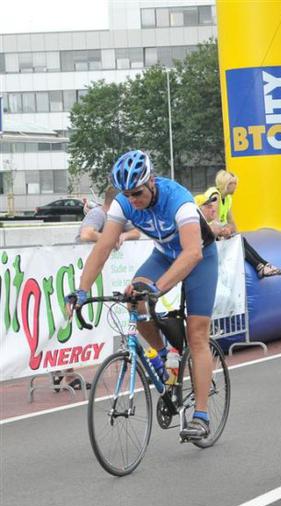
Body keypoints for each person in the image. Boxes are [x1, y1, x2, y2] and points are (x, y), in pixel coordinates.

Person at [67, 150, 219, 440]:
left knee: (197, 335)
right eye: (127, 194)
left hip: (200, 258)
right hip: (164, 255)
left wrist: (158, 288)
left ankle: (201, 416)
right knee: (134, 298)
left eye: (137, 193)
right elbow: (103, 247)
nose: (133, 200)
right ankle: (162, 361)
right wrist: (82, 290)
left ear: (151, 181)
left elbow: (193, 253)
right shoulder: (124, 203)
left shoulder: (178, 200)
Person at [215, 169, 281, 278]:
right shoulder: (215, 196)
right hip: (212, 237)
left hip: (220, 233)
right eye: (234, 183)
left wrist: (235, 234)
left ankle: (265, 265)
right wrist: (225, 233)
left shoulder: (228, 199)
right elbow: (213, 223)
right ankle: (260, 267)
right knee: (238, 242)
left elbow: (231, 221)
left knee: (240, 239)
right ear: (227, 184)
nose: (236, 186)